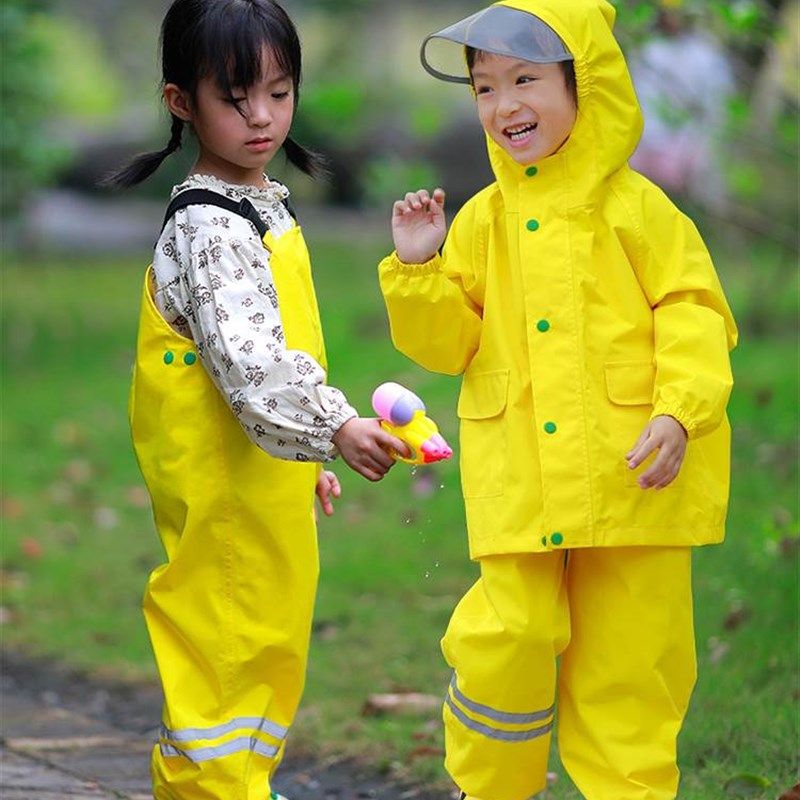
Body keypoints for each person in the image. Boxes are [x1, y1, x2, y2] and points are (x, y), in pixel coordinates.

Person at [378, 2, 737, 799]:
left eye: (525, 80)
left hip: (633, 480)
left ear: (590, 86)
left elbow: (695, 313)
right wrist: (418, 271)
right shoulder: (480, 222)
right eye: (484, 88)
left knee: (630, 667)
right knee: (507, 633)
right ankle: (492, 785)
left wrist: (681, 410)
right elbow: (449, 346)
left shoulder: (639, 210)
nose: (504, 105)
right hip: (523, 480)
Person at [104, 1, 407, 797]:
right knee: (228, 658)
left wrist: (307, 459)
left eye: (280, 91)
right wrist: (335, 424)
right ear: (181, 102)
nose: (263, 116)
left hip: (260, 490)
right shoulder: (210, 227)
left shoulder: (259, 206)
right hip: (226, 507)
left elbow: (270, 362)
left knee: (262, 654)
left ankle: (239, 784)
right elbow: (251, 366)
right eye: (237, 99)